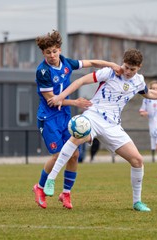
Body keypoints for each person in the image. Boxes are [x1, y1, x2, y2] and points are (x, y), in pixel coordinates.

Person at [44, 48, 157, 211]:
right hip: (94, 116)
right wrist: (61, 97)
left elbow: (148, 93)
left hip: (113, 125)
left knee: (137, 160)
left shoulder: (138, 81)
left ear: (139, 67)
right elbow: (80, 81)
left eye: (133, 69)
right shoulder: (109, 73)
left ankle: (137, 202)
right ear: (123, 62)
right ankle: (51, 179)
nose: (128, 71)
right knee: (77, 135)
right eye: (126, 67)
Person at [32, 30, 122, 209]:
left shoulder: (66, 63)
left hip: (64, 115)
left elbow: (91, 62)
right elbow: (52, 100)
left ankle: (66, 194)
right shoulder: (43, 72)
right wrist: (75, 102)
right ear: (43, 53)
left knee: (74, 154)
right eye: (48, 52)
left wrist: (111, 64)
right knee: (58, 154)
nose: (52, 55)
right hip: (48, 117)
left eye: (54, 51)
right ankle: (40, 187)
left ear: (59, 49)